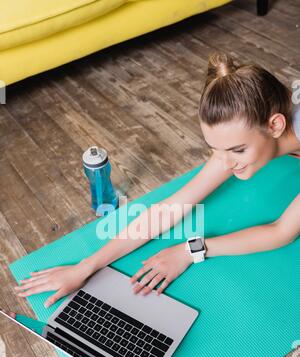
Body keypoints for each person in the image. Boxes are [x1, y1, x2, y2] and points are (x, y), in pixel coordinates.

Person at [14, 52, 300, 308]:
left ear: (275, 125)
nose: (224, 163)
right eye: (215, 149)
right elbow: (168, 210)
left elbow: (282, 231)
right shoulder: (236, 146)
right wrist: (84, 267)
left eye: (237, 149)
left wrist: (191, 250)